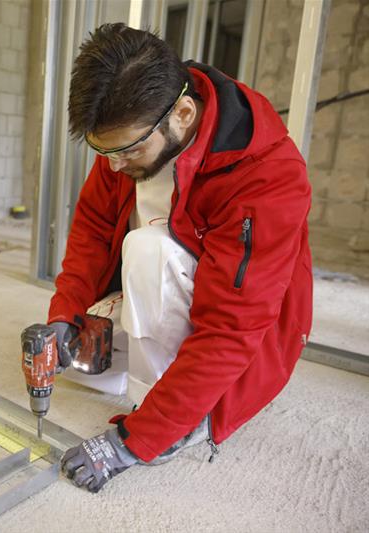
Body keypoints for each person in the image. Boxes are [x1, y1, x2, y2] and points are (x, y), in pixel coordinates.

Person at [50, 24, 313, 493]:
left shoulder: (269, 175)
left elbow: (231, 329)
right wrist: (64, 317)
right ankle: (151, 382)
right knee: (79, 362)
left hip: (225, 332)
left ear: (184, 113)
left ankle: (180, 421)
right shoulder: (132, 128)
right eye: (102, 151)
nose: (112, 166)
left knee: (147, 248)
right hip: (163, 296)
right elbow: (90, 229)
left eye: (127, 151)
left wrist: (132, 442)